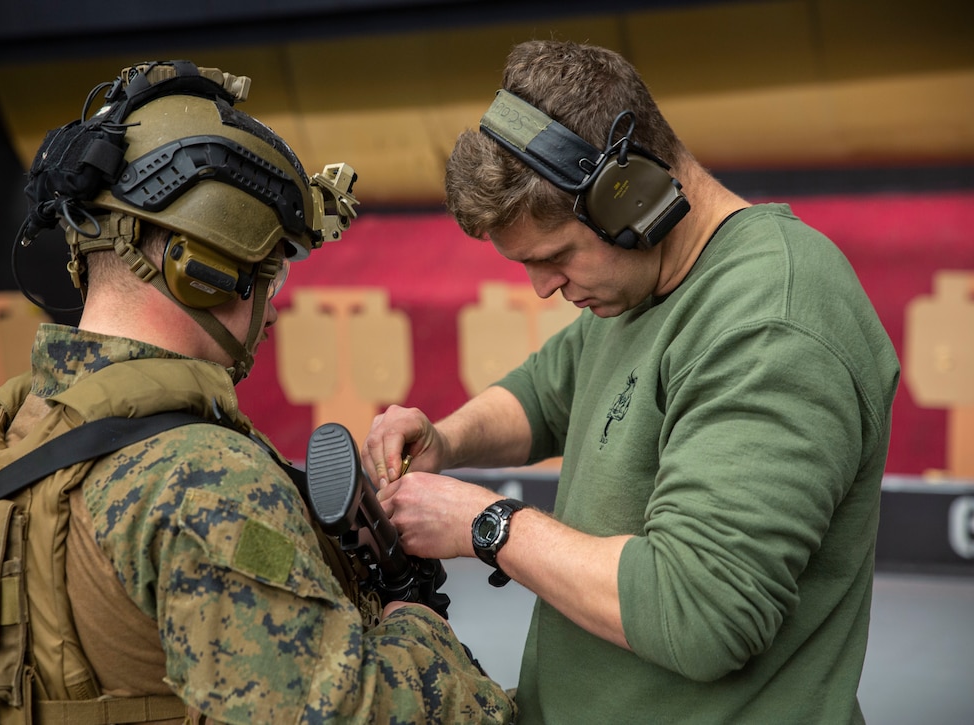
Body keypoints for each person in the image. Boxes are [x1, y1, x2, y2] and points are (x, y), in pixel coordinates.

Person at [0, 60, 514, 724]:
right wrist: (415, 625)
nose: (272, 311)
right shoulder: (207, 480)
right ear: (206, 271)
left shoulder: (10, 430)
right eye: (267, 274)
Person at [363, 40, 900, 724]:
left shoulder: (771, 322)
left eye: (556, 256)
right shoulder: (638, 284)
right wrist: (446, 439)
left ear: (633, 198)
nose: (543, 286)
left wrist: (485, 523)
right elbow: (547, 390)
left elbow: (700, 610)